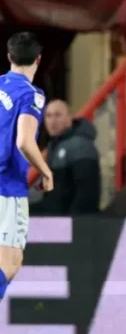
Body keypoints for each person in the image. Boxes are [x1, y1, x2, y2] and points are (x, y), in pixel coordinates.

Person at [0, 32, 53, 302]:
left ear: (9, 57)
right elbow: (24, 141)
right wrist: (46, 171)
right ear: (38, 60)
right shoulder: (31, 95)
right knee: (10, 263)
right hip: (6, 187)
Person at [32, 99, 100, 214]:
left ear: (69, 118)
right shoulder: (54, 145)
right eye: (48, 116)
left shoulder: (80, 145)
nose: (52, 121)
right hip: (55, 214)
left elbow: (87, 192)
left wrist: (74, 220)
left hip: (71, 218)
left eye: (57, 115)